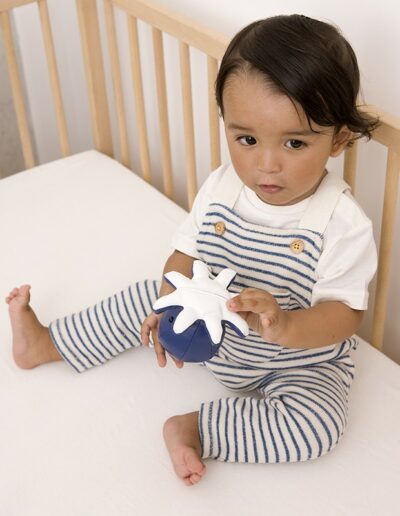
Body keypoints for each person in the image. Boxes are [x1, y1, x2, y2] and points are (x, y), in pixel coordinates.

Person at [6, 14, 378, 487]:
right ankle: (49, 342)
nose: (266, 164)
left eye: (294, 142)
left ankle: (198, 430)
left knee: (317, 426)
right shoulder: (222, 188)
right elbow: (185, 256)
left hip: (296, 361)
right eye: (246, 139)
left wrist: (285, 325)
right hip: (211, 329)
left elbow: (345, 315)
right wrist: (170, 303)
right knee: (146, 296)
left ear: (338, 140)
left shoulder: (342, 223)